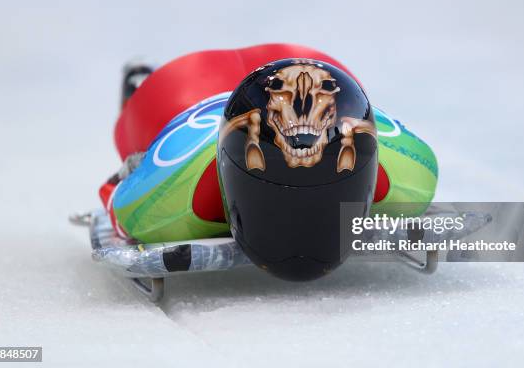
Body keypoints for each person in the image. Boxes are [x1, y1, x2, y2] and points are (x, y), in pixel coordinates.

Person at [98, 43, 438, 279]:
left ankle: (142, 82)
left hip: (301, 78)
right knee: (144, 127)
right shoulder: (412, 180)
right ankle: (141, 84)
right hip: (183, 90)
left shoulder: (161, 208)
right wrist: (126, 176)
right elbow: (116, 196)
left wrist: (120, 187)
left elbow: (116, 201)